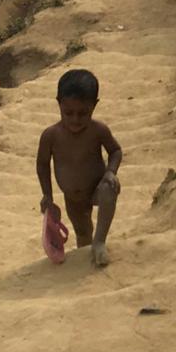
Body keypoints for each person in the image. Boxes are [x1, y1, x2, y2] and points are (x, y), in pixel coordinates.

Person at [36, 68, 123, 268]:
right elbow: (42, 165)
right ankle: (87, 256)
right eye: (69, 113)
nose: (75, 119)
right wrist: (47, 196)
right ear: (59, 104)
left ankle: (100, 241)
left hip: (96, 190)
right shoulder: (50, 136)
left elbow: (115, 151)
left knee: (109, 189)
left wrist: (111, 172)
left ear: (94, 106)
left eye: (83, 113)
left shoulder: (98, 130)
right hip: (73, 198)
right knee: (83, 233)